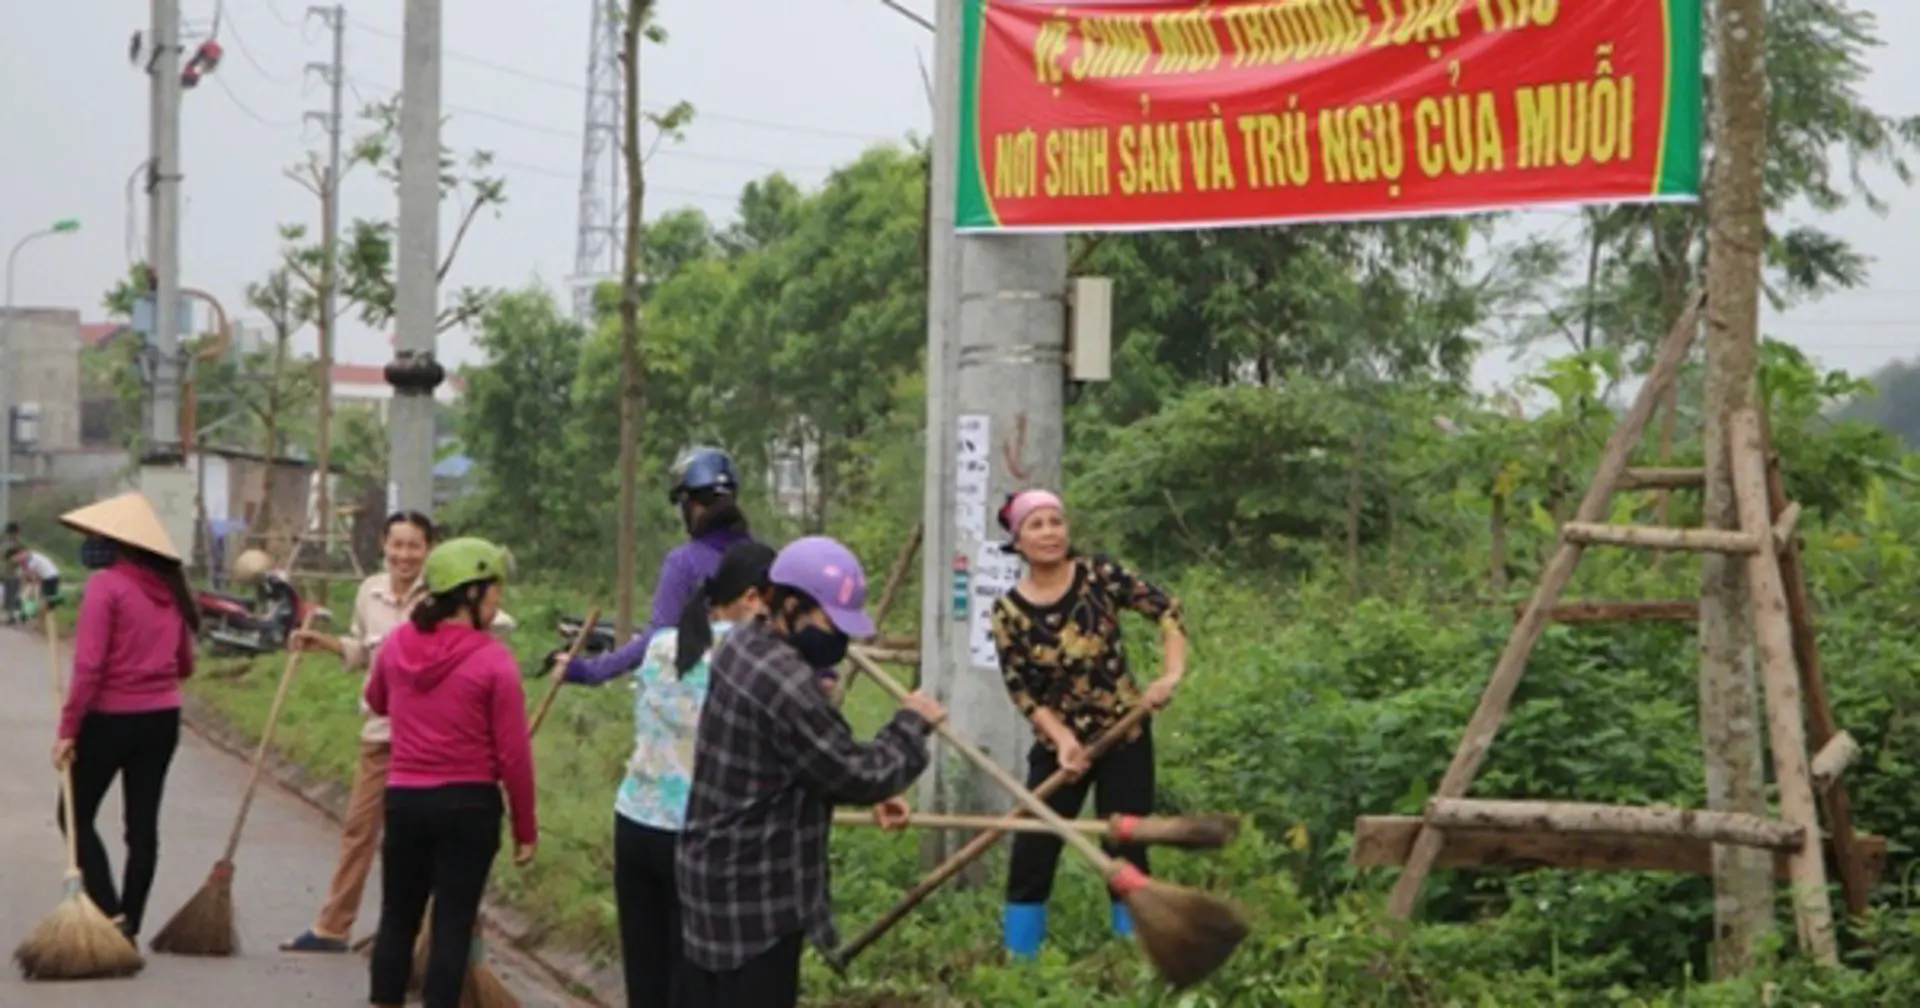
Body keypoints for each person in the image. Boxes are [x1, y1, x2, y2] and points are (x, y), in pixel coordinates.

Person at [673, 536, 943, 1008]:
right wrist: (910, 724)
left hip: (711, 873)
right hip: (752, 898)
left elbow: (803, 760)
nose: (839, 638)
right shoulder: (787, 684)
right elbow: (855, 773)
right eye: (830, 623)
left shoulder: (744, 643)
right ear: (791, 605)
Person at [282, 512, 517, 954]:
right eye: (396, 545)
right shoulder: (369, 592)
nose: (404, 555)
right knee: (359, 827)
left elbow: (496, 623)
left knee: (424, 845)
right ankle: (334, 925)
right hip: (382, 728)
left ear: (430, 550)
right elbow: (363, 650)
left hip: (438, 735)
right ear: (383, 547)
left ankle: (424, 940)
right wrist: (326, 645)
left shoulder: (447, 590)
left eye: (414, 546)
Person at [987, 489, 1188, 961]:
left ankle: (1129, 957)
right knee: (1035, 845)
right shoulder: (1008, 613)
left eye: (1056, 521)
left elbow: (1168, 611)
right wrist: (1062, 741)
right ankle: (1022, 966)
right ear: (1018, 540)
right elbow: (1024, 691)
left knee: (1125, 844)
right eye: (1036, 525)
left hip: (1126, 735)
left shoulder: (1100, 575)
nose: (1050, 532)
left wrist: (1170, 676)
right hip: (1062, 749)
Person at [590, 539, 777, 1008]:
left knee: (645, 976)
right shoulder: (752, 658)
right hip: (696, 838)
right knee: (691, 981)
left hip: (634, 824)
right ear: (752, 599)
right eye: (777, 603)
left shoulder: (659, 647)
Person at [365, 537, 537, 1008]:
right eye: (494, 589)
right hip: (469, 807)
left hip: (405, 801)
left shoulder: (398, 644)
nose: (498, 600)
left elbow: (378, 701)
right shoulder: (493, 659)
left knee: (397, 918)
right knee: (452, 925)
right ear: (471, 594)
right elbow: (514, 755)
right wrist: (526, 827)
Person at [50, 491, 201, 945]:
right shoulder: (171, 590)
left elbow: (90, 667)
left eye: (101, 536)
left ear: (120, 542)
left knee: (72, 815)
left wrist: (68, 729)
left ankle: (110, 911)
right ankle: (130, 922)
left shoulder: (106, 586)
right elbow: (185, 665)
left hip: (110, 719)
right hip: (162, 721)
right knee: (142, 826)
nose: (95, 542)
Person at [562, 446, 754, 687]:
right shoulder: (766, 559)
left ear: (690, 505)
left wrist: (587, 670)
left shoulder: (684, 564)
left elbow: (657, 641)